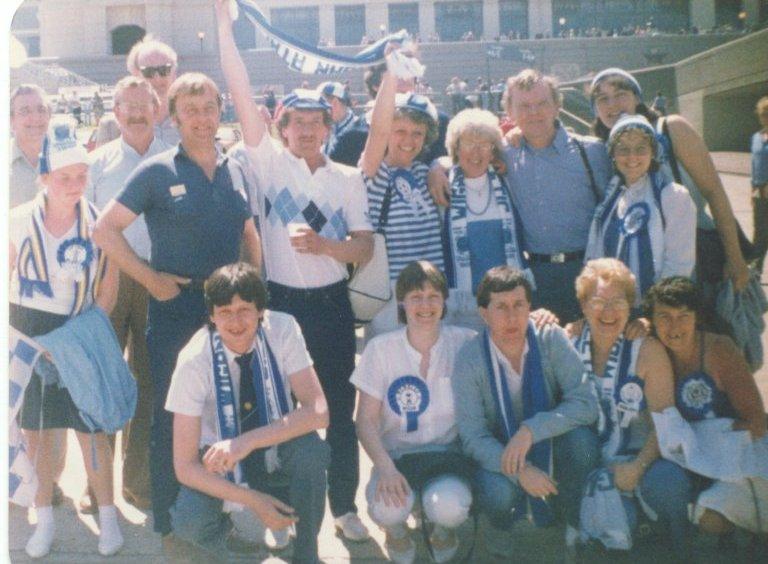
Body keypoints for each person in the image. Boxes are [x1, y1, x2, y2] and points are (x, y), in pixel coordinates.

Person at [215, 1, 374, 541]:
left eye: (316, 122)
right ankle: (276, 509)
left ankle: (345, 506)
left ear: (330, 127)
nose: (307, 130)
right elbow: (238, 91)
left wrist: (329, 247)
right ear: (280, 126)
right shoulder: (266, 162)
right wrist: (223, 29)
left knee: (337, 408)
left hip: (330, 305)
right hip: (278, 302)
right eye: (297, 122)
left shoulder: (347, 178)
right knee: (272, 408)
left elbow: (364, 249)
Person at [93, 72, 262, 543]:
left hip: (231, 315)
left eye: (209, 108)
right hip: (176, 312)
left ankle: (229, 506)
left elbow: (250, 236)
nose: (202, 119)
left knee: (234, 412)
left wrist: (257, 298)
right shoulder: (156, 170)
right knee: (171, 418)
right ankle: (169, 520)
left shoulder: (236, 169)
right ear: (174, 115)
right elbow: (105, 230)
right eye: (191, 111)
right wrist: (149, 279)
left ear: (220, 109)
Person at [9, 118, 122, 558]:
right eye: (63, 177)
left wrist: (86, 334)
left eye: (81, 176)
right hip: (28, 334)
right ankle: (45, 519)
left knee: (91, 430)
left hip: (80, 330)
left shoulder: (99, 224)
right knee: (36, 432)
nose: (74, 185)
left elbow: (108, 286)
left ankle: (108, 518)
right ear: (44, 179)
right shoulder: (16, 221)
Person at [166, 263, 330, 562]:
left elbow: (318, 411)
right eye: (225, 311)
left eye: (244, 309)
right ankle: (235, 543)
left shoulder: (283, 328)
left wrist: (246, 442)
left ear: (260, 311)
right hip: (218, 458)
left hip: (273, 443)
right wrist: (254, 501)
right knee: (189, 520)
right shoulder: (193, 360)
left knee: (312, 453)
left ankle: (306, 551)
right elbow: (185, 466)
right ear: (212, 316)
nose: (236, 321)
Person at [431, 69, 612, 323]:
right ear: (510, 112)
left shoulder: (592, 152)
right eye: (524, 106)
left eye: (542, 104)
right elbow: (467, 155)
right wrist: (437, 166)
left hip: (587, 270)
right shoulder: (504, 154)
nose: (534, 112)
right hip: (535, 277)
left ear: (557, 105)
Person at [452, 266, 598, 558]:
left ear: (530, 307)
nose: (512, 317)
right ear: (484, 313)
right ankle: (500, 526)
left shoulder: (550, 337)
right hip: (501, 452)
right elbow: (473, 437)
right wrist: (522, 471)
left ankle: (571, 520)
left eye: (519, 305)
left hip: (548, 440)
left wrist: (531, 430)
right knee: (497, 492)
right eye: (501, 307)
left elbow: (586, 404)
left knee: (582, 442)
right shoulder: (469, 358)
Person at [352, 261, 476, 563]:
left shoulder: (465, 342)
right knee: (387, 508)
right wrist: (385, 468)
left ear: (444, 302)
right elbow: (365, 421)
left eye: (434, 296)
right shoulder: (380, 349)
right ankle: (396, 533)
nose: (425, 305)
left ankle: (442, 529)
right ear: (401, 302)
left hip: (447, 455)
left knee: (450, 507)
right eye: (416, 297)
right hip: (398, 458)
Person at [86, 75, 172, 511]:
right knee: (101, 384)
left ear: (157, 109)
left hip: (157, 282)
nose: (137, 113)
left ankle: (138, 483)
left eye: (145, 105)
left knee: (149, 387)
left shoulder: (175, 161)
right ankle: (96, 485)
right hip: (108, 283)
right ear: (115, 112)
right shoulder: (97, 164)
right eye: (128, 106)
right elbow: (86, 234)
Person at [589, 67, 750, 292]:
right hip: (638, 269)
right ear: (595, 109)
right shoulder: (602, 150)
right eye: (603, 99)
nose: (612, 105)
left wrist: (735, 257)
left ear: (637, 97)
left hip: (694, 257)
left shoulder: (672, 129)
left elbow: (714, 192)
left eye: (620, 94)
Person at [570, 259, 692, 555]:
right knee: (617, 530)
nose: (609, 312)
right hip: (592, 462)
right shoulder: (568, 342)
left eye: (619, 301)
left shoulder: (648, 350)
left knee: (669, 483)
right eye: (599, 301)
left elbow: (666, 424)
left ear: (631, 305)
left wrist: (636, 468)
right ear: (584, 305)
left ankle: (677, 543)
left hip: (641, 460)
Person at [645, 277, 767, 535]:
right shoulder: (652, 350)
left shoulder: (720, 349)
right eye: (664, 316)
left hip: (738, 458)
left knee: (712, 521)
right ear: (651, 320)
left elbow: (757, 422)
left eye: (683, 316)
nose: (674, 326)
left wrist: (709, 441)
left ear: (697, 317)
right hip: (686, 459)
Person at [361, 55, 444, 338]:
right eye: (400, 131)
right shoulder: (374, 174)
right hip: (389, 303)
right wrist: (391, 72)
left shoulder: (426, 173)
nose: (408, 141)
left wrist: (439, 164)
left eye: (417, 133)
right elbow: (377, 131)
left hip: (431, 298)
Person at [586, 114, 696, 306]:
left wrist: (650, 313)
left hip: (655, 312)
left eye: (640, 148)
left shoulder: (673, 196)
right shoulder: (610, 200)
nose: (632, 157)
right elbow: (595, 258)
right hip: (613, 311)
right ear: (612, 155)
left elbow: (679, 266)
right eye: (623, 149)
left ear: (653, 152)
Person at [441, 108, 530, 330]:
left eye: (484, 144)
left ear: (493, 151)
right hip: (465, 305)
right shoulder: (442, 188)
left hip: (507, 300)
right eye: (469, 144)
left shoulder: (508, 182)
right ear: (456, 148)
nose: (476, 152)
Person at [126, 36, 181, 145]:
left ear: (174, 74)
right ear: (135, 76)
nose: (157, 78)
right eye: (148, 72)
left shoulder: (191, 120)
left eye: (164, 70)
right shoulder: (116, 126)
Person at [10, 84, 51, 207]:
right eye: (25, 111)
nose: (35, 118)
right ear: (11, 121)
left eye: (41, 110)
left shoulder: (67, 160)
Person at [319, 80, 367, 167]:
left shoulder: (360, 130)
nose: (318, 110)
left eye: (321, 105)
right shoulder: (327, 127)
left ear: (335, 103)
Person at [751, 96, 768, 273]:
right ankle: (756, 269)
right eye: (762, 114)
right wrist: (752, 189)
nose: (764, 117)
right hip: (759, 194)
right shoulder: (756, 137)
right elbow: (754, 164)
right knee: (760, 233)